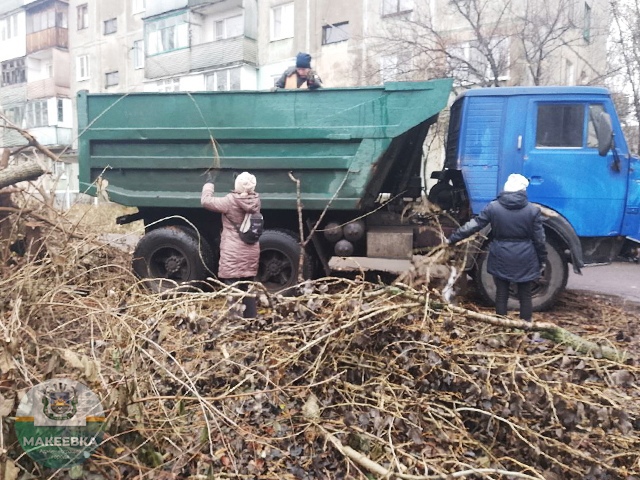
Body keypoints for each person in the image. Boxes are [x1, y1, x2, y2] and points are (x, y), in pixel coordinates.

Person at [446, 173, 547, 322]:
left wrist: (452, 239)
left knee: (501, 293)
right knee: (525, 295)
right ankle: (526, 326)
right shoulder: (533, 211)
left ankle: (501, 325)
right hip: (525, 256)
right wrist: (542, 259)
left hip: (501, 254)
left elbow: (474, 226)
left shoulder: (494, 208)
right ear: (523, 191)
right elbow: (540, 239)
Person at [201, 171, 261, 318]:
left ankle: (234, 321)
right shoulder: (256, 201)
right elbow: (243, 195)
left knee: (232, 288)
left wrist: (209, 184)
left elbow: (206, 201)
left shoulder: (229, 201)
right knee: (247, 287)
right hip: (251, 250)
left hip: (233, 251)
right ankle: (251, 319)